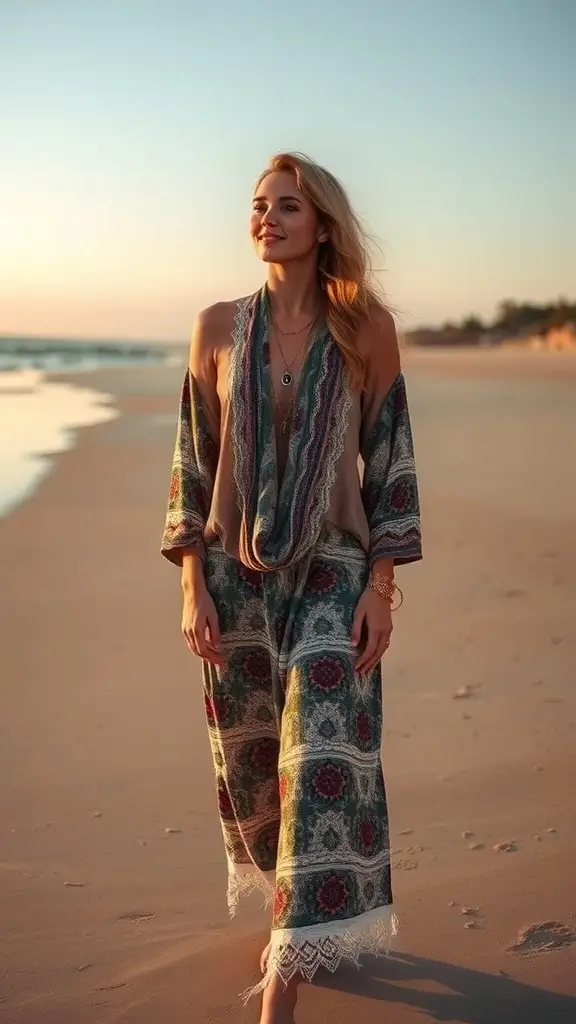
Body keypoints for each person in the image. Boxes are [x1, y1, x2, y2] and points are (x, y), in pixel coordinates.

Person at [161, 152, 422, 1024]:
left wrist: (381, 586)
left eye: (288, 206)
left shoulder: (367, 331)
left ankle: (283, 983)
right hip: (234, 574)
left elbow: (389, 466)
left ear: (324, 227)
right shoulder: (215, 327)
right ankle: (295, 915)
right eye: (258, 205)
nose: (266, 218)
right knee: (254, 768)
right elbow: (194, 464)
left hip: (334, 565)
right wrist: (191, 581)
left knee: (317, 751)